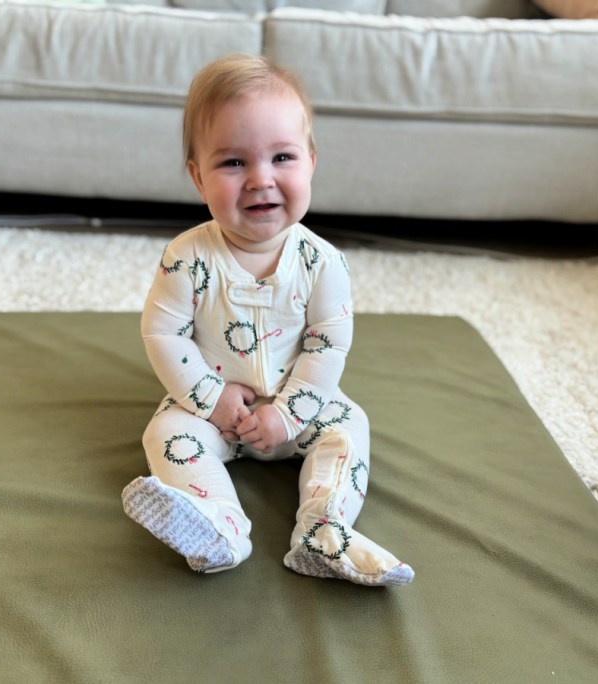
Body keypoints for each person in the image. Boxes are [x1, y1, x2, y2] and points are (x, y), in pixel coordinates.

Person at [121, 53, 414, 587]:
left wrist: (288, 415)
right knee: (163, 433)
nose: (260, 179)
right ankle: (219, 528)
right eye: (233, 163)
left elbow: (327, 347)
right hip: (211, 410)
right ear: (197, 176)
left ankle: (323, 530)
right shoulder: (186, 257)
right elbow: (163, 332)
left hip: (299, 407)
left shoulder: (322, 262)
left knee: (350, 430)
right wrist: (209, 397)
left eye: (282, 157)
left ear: (311, 162)